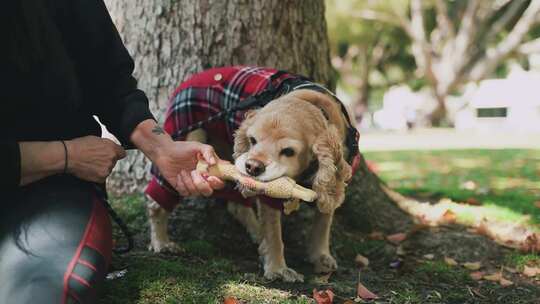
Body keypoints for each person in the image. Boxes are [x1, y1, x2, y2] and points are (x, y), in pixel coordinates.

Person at [0, 0, 224, 303]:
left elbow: (109, 81)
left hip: (48, 195)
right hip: (58, 164)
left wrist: (162, 148)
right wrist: (67, 155)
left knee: (37, 292)